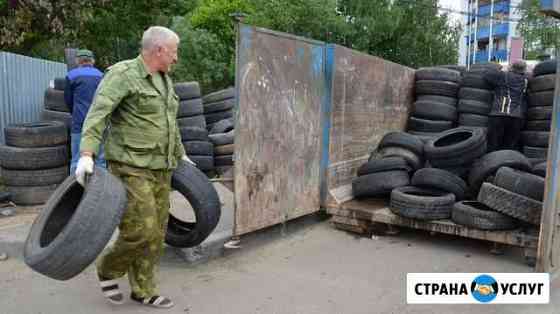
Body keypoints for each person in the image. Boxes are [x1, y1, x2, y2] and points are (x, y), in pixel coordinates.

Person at [75, 26, 196, 309]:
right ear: (159, 50)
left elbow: (170, 123)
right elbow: (98, 113)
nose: (176, 59)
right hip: (131, 165)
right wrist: (86, 154)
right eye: (174, 52)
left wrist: (182, 154)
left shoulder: (165, 80)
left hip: (161, 167)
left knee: (157, 231)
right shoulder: (123, 74)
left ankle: (144, 289)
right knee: (140, 229)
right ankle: (107, 267)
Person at [64, 49, 106, 173]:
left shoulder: (71, 75)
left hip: (79, 122)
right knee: (100, 160)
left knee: (77, 158)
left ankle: (74, 190)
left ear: (78, 60)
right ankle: (101, 190)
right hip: (99, 123)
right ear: (92, 61)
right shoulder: (101, 75)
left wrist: (75, 113)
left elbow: (68, 100)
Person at [484, 60, 528, 152]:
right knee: (509, 147)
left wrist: (500, 68)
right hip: (516, 117)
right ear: (524, 70)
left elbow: (486, 75)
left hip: (499, 114)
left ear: (511, 67)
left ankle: (490, 164)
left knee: (493, 145)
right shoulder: (526, 80)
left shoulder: (503, 75)